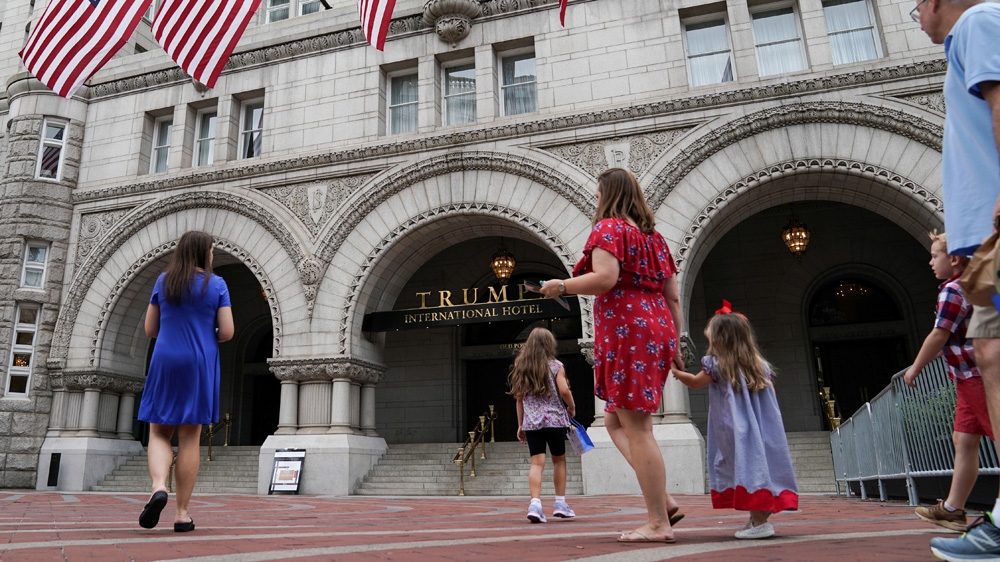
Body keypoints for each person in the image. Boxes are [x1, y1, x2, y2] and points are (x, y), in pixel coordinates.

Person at [540, 167, 684, 544]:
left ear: (608, 195)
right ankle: (663, 500)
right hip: (657, 327)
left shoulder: (609, 229)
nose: (596, 199)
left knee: (638, 428)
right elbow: (673, 297)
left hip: (628, 329)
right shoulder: (655, 239)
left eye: (598, 193)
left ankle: (658, 523)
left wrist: (561, 286)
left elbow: (605, 278)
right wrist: (674, 343)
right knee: (615, 420)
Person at [912, 0, 1000, 558]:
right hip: (982, 246)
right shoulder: (968, 36)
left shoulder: (978, 21)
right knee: (992, 355)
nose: (917, 16)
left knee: (996, 358)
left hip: (992, 236)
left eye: (916, 6)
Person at [670, 304, 798, 540]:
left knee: (744, 468)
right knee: (758, 466)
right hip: (761, 428)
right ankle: (759, 515)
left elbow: (696, 382)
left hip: (734, 429)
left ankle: (760, 523)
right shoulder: (760, 366)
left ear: (721, 340)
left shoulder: (717, 364)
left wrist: (677, 373)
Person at [136, 231, 234, 532]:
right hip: (200, 361)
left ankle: (158, 486)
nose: (213, 255)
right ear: (204, 253)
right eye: (212, 251)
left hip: (166, 359)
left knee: (158, 430)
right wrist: (207, 333)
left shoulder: (164, 281)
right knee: (190, 437)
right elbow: (227, 332)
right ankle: (181, 514)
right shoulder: (217, 284)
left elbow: (150, 329)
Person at [905, 231, 987, 533]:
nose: (930, 262)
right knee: (963, 440)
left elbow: (939, 333)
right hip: (967, 377)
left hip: (977, 377)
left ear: (953, 259)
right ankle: (952, 509)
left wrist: (915, 367)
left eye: (934, 255)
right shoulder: (971, 284)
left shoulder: (953, 289)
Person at [509, 327, 578, 523]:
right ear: (549, 344)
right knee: (559, 460)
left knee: (536, 463)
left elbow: (519, 398)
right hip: (555, 421)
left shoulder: (522, 367)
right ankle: (560, 503)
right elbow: (564, 390)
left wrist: (520, 424)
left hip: (532, 423)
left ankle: (535, 504)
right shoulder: (556, 365)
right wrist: (571, 407)